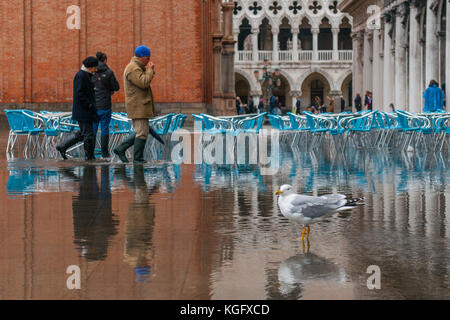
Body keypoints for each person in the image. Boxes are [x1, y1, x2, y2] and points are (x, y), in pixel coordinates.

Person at [113, 45, 156, 163]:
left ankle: (120, 148)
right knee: (141, 132)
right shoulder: (133, 68)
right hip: (138, 106)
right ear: (142, 57)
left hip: (141, 105)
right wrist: (150, 70)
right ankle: (137, 159)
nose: (149, 60)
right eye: (148, 57)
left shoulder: (137, 67)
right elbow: (143, 82)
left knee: (141, 131)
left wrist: (148, 70)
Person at [56, 56, 99, 161]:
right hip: (83, 111)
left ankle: (63, 146)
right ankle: (89, 157)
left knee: (82, 133)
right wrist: (89, 105)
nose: (96, 70)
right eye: (95, 67)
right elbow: (79, 94)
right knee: (88, 135)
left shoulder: (87, 75)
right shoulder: (81, 76)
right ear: (90, 67)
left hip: (87, 110)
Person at [92, 51, 120, 159]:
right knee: (104, 128)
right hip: (105, 105)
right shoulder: (108, 72)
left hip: (94, 106)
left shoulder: (92, 72)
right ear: (105, 60)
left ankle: (90, 153)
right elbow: (116, 87)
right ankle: (105, 153)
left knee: (93, 128)